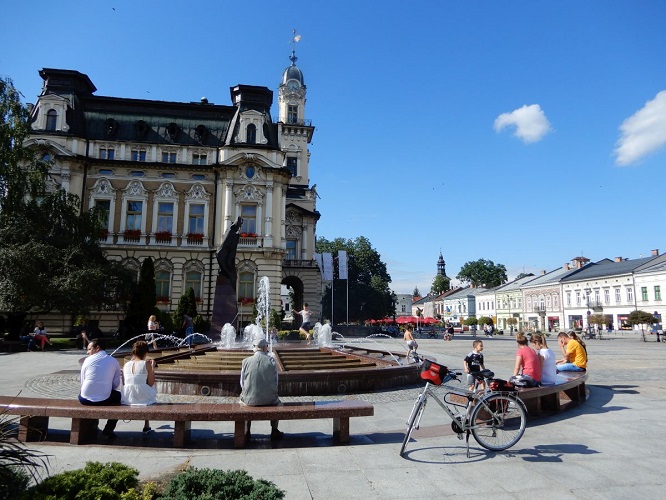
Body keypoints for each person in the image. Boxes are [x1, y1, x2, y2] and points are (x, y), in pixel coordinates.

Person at [239, 338, 283, 441]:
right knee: (277, 402)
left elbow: (242, 383)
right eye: (266, 347)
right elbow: (276, 381)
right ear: (263, 348)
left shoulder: (245, 361)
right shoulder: (271, 360)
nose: (267, 348)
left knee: (243, 400)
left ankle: (247, 430)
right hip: (270, 400)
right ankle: (274, 430)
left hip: (249, 400)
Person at [78, 339, 122, 439]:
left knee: (88, 392)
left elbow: (82, 381)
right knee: (118, 396)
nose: (87, 352)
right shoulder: (113, 361)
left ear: (97, 348)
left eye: (89, 349)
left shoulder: (87, 360)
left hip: (84, 399)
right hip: (105, 399)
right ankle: (109, 429)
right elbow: (116, 384)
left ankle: (91, 426)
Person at [121, 340, 157, 434]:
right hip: (142, 397)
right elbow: (151, 383)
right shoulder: (146, 364)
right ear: (145, 352)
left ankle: (147, 424)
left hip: (127, 396)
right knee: (150, 389)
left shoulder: (126, 365)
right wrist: (152, 367)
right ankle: (146, 424)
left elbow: (125, 382)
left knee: (139, 386)